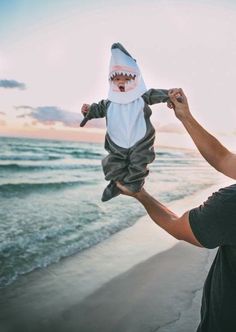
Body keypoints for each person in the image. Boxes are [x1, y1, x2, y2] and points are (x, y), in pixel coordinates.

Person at [116, 88, 236, 332]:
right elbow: (223, 158)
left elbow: (179, 227)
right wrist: (185, 117)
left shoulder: (231, 206)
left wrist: (140, 194)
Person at [80, 42, 170, 202]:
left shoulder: (142, 97)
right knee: (112, 163)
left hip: (140, 139)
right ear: (111, 80)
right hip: (117, 141)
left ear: (136, 77)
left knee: (139, 162)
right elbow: (97, 109)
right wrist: (88, 110)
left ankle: (134, 185)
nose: (121, 82)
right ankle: (115, 183)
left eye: (126, 78)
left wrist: (170, 94)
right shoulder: (109, 103)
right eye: (117, 79)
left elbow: (157, 94)